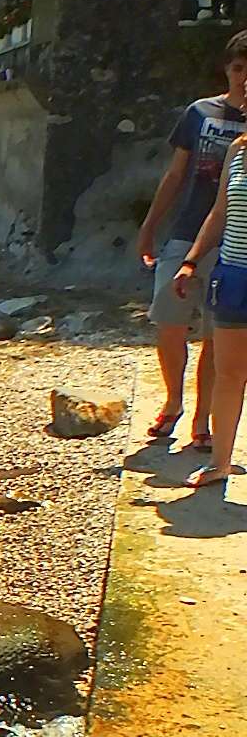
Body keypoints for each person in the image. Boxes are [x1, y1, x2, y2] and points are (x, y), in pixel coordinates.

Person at [136, 30, 247, 449]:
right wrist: (149, 226)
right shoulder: (200, 113)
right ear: (227, 69)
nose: (243, 79)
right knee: (169, 321)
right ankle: (172, 400)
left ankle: (203, 419)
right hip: (186, 233)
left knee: (217, 336)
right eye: (238, 69)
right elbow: (175, 174)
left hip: (236, 242)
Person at [172, 127, 247, 490]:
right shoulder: (238, 150)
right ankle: (220, 463)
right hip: (233, 275)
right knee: (229, 374)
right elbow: (219, 212)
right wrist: (191, 260)